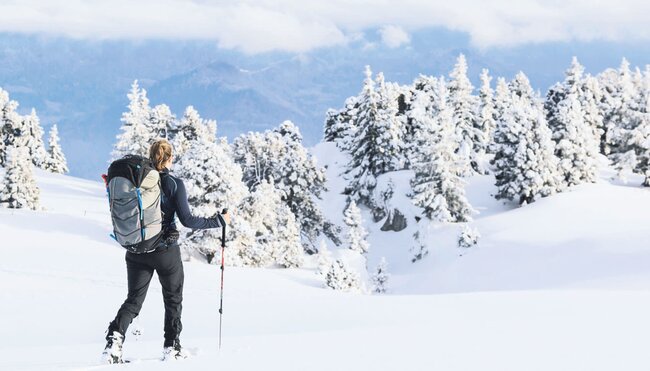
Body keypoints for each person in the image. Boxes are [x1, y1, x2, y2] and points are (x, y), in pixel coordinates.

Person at [102, 139, 230, 363]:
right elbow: (188, 220)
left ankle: (114, 342)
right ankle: (172, 347)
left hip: (136, 250)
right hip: (165, 252)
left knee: (133, 300)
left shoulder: (138, 182)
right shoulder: (173, 183)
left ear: (150, 156)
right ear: (170, 158)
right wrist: (218, 220)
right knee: (172, 299)